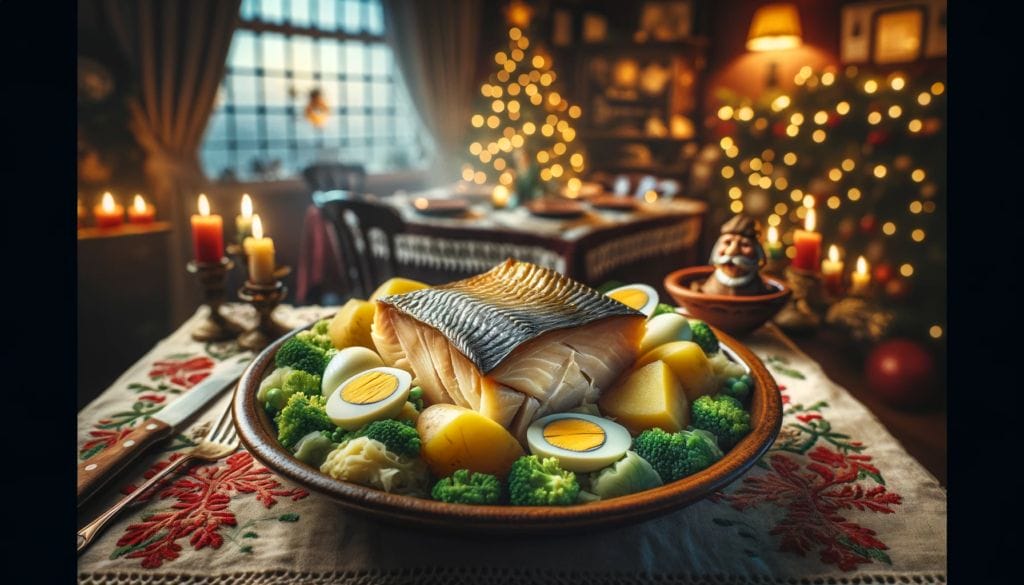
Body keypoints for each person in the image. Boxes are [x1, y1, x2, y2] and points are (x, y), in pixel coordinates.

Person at [700, 214, 771, 296]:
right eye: (727, 242)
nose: (732, 252)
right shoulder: (707, 286)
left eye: (744, 244)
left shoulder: (760, 290)